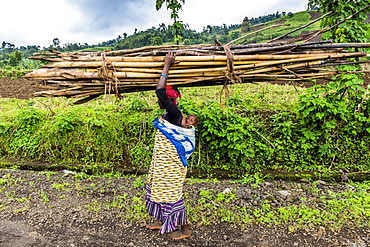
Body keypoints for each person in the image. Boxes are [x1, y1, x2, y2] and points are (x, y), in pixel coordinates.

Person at [145, 52, 198, 240]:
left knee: (172, 193)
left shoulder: (175, 113)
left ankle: (184, 229)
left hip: (172, 166)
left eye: (161, 100)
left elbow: (160, 91)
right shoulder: (171, 116)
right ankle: (161, 220)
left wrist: (167, 65)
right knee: (157, 188)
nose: (158, 102)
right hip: (162, 165)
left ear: (168, 101)